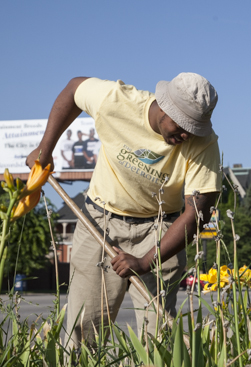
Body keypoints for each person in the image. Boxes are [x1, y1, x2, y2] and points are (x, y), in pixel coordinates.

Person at [26, 73, 221, 347]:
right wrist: (45, 149)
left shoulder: (204, 142)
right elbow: (73, 88)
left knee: (159, 340)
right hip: (100, 222)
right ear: (163, 106)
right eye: (183, 124)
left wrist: (145, 262)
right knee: (83, 334)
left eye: (195, 128)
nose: (188, 134)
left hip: (162, 230)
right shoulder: (116, 101)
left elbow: (196, 215)